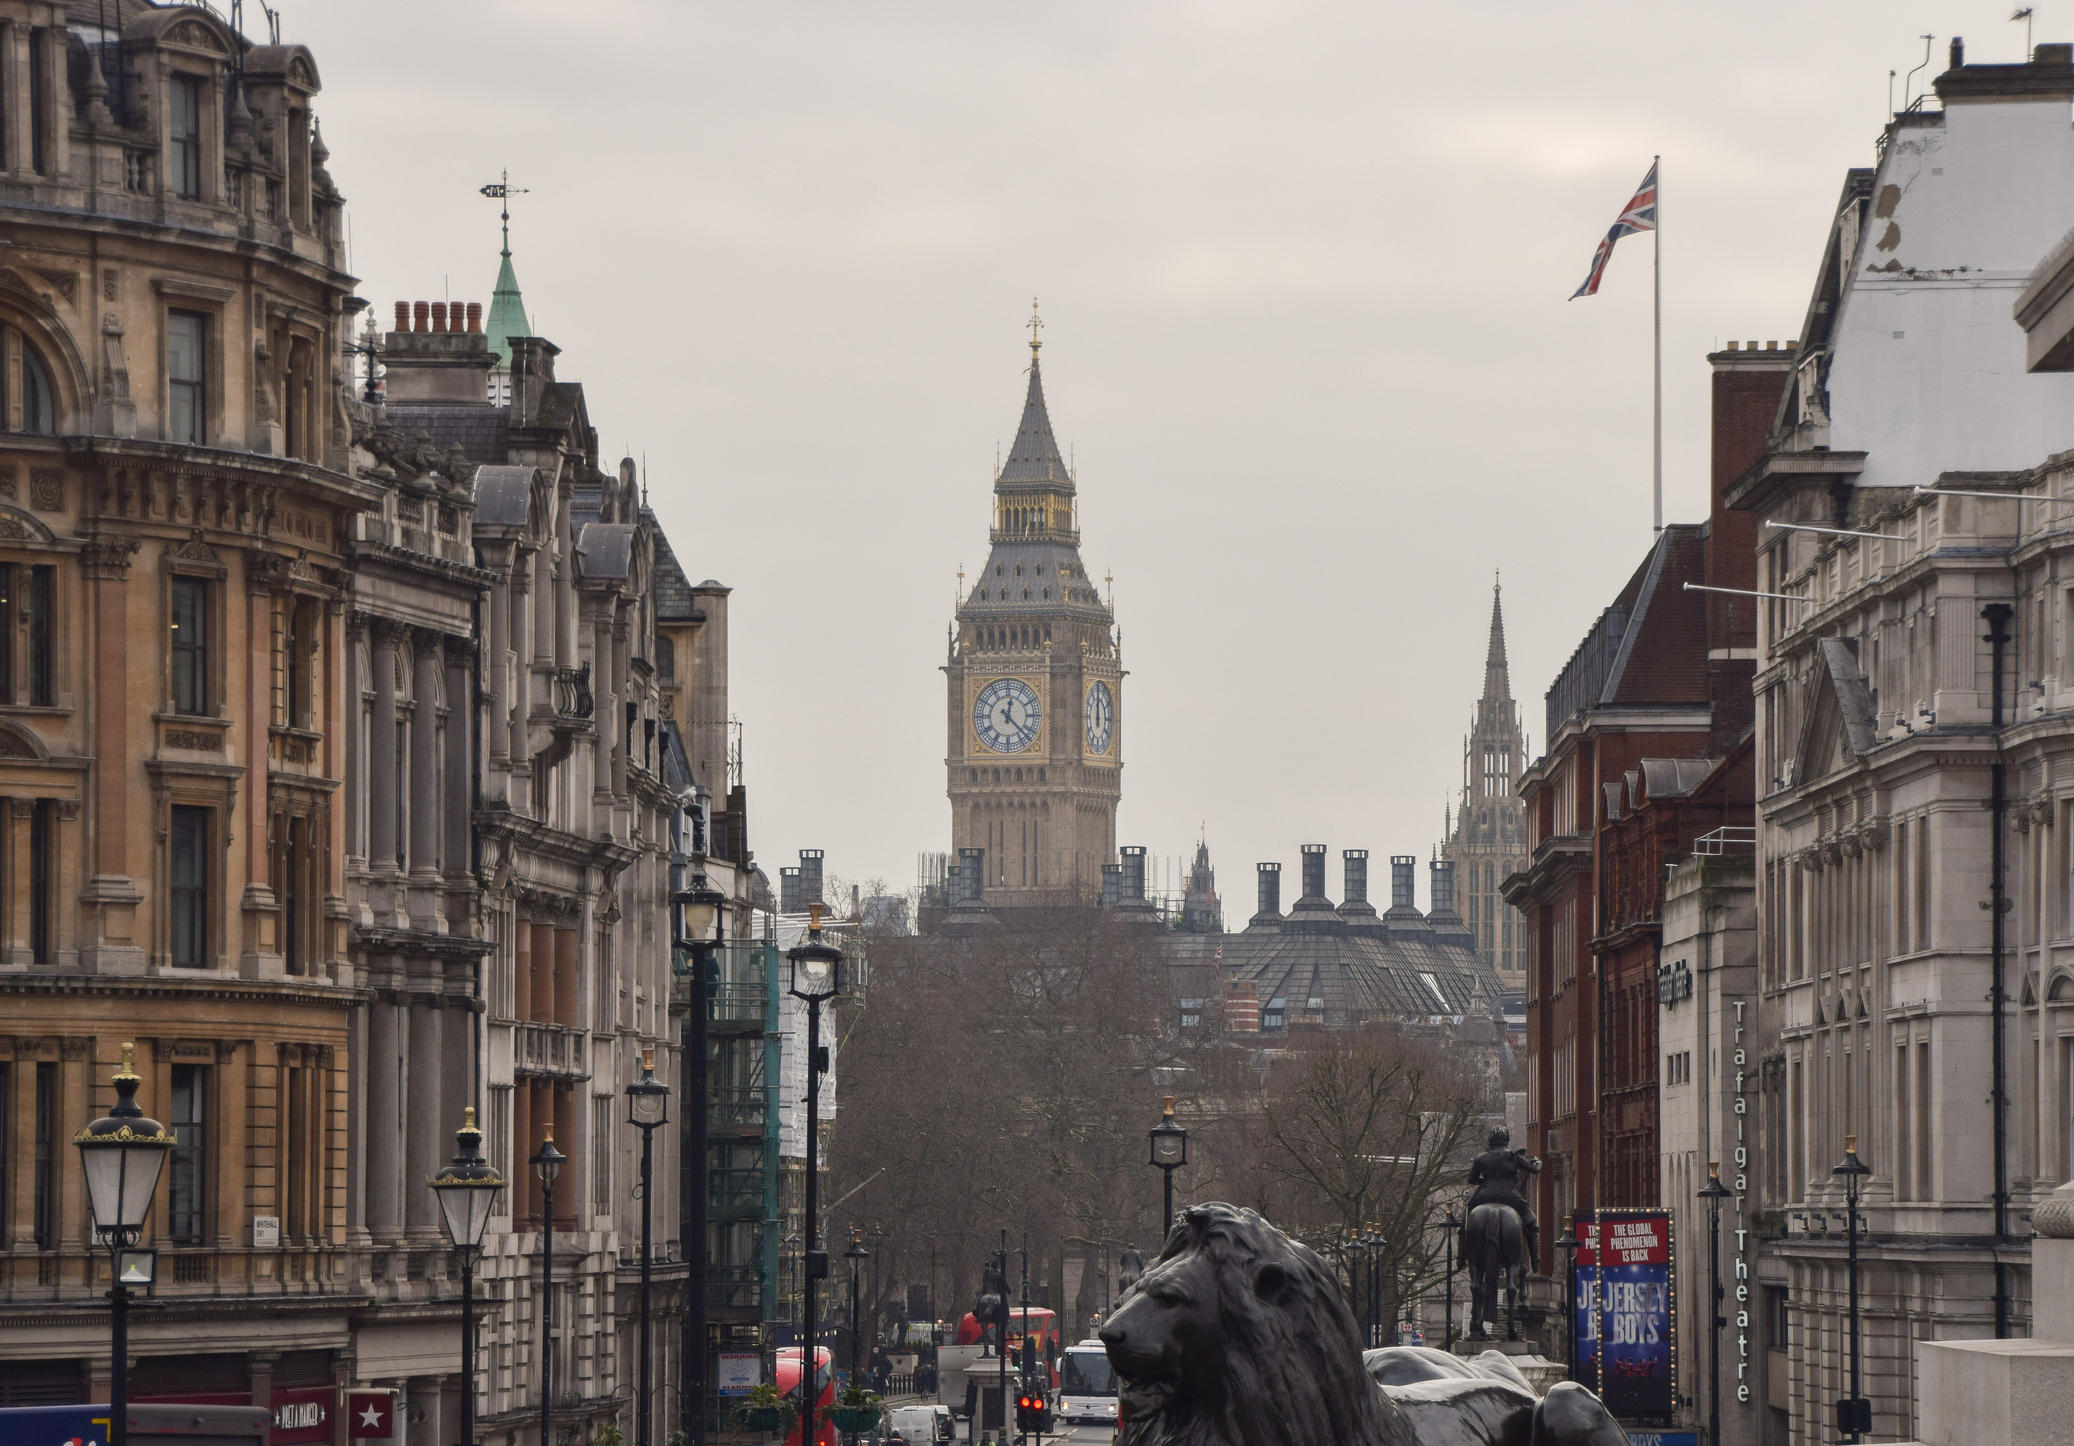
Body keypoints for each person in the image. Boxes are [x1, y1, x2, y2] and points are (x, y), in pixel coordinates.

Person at [1465, 1125, 1541, 1271]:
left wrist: (1485, 1182)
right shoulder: (1514, 1157)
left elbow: (1472, 1179)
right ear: (1506, 1140)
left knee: (1465, 1221)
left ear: (1490, 1140)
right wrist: (1538, 1162)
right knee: (1531, 1222)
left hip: (1483, 1196)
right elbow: (1534, 1170)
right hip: (1510, 1196)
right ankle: (1535, 1260)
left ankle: (1462, 1256)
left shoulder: (1481, 1158)